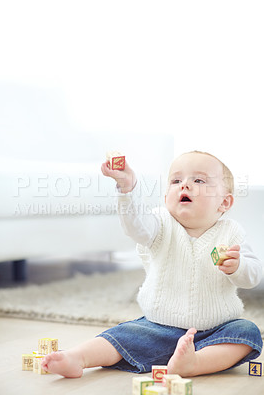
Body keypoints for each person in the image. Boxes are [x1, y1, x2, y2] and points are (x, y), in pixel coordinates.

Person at [41, 150, 263, 378]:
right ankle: (77, 357)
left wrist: (238, 266)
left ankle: (194, 363)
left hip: (215, 331)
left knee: (247, 333)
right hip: (157, 327)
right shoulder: (160, 225)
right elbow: (134, 225)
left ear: (224, 202)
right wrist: (127, 189)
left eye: (199, 180)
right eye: (176, 181)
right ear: (166, 196)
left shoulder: (231, 233)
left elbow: (253, 276)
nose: (184, 185)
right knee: (124, 334)